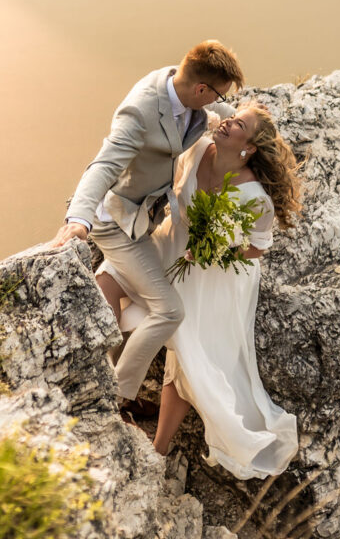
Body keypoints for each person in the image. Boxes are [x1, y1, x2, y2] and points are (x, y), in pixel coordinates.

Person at [99, 102, 302, 479]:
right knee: (108, 279)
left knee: (189, 356)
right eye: (231, 117)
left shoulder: (255, 198)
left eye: (238, 123)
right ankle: (100, 386)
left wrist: (221, 245)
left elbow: (257, 247)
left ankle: (157, 449)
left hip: (214, 274)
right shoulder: (198, 147)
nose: (227, 123)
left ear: (249, 147)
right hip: (169, 244)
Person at [51, 40, 244, 418]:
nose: (217, 103)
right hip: (117, 222)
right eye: (216, 94)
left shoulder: (184, 83)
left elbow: (219, 107)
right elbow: (103, 166)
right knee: (169, 311)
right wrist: (78, 220)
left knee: (120, 301)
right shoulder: (139, 111)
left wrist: (244, 116)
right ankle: (113, 397)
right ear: (200, 90)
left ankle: (110, 373)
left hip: (147, 219)